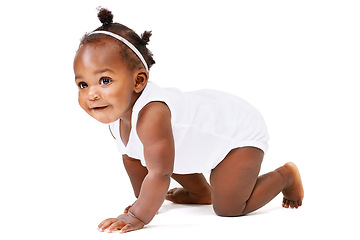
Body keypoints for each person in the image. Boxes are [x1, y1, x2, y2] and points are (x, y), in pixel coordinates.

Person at [73, 8, 304, 234]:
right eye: (83, 84)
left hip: (237, 135)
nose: (91, 94)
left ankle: (285, 176)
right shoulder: (117, 114)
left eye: (105, 80)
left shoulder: (152, 114)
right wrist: (142, 199)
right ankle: (200, 193)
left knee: (229, 208)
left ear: (139, 81)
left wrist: (138, 215)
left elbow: (160, 173)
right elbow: (132, 158)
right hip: (197, 139)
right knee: (148, 154)